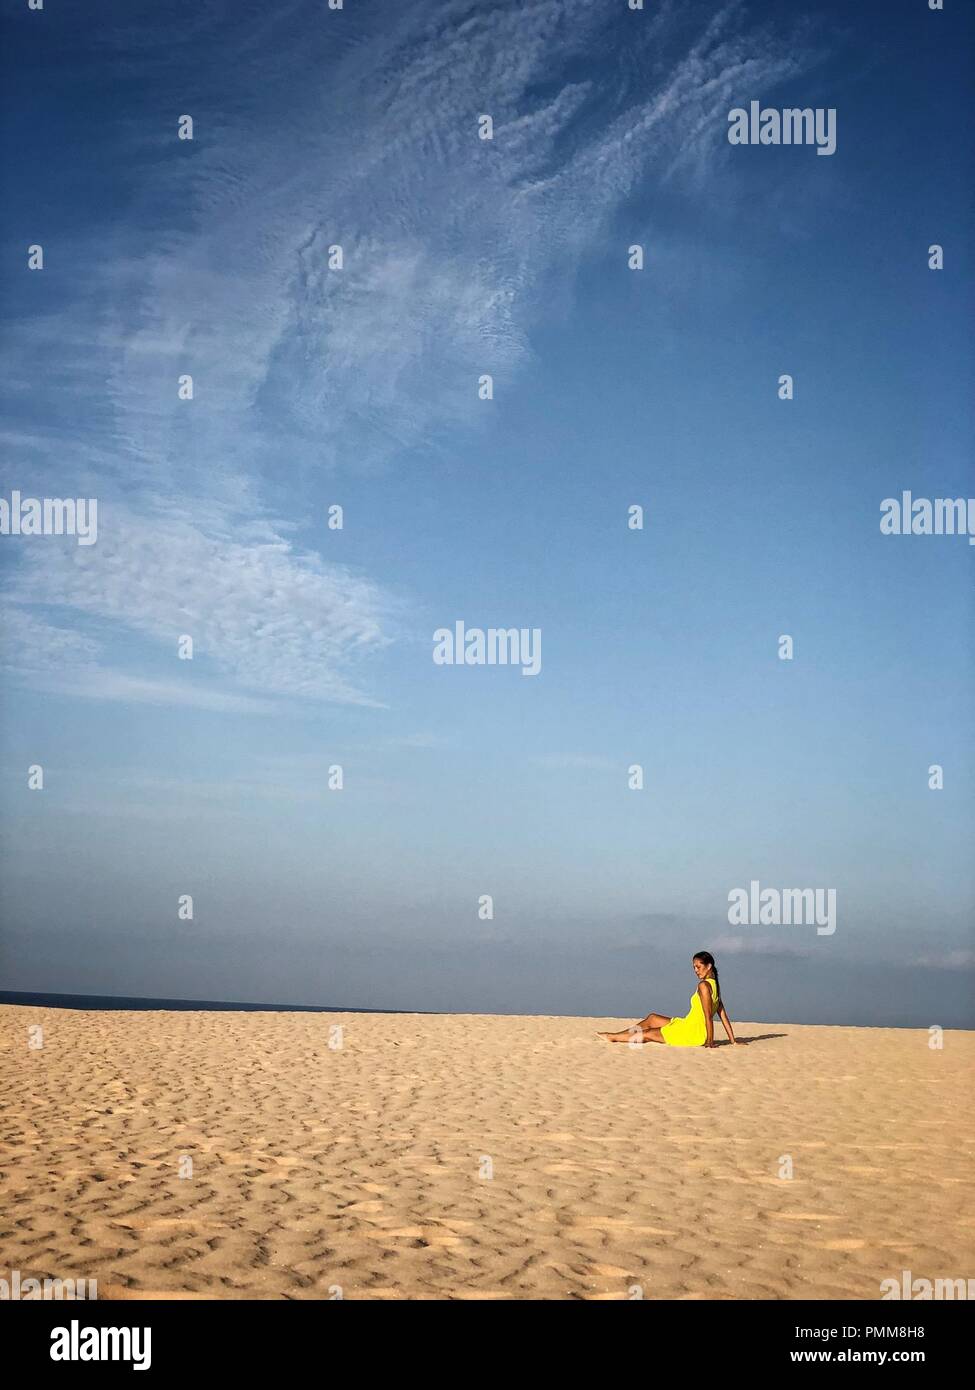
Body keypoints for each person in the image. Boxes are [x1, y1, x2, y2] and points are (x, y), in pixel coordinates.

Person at [597, 951, 740, 1047]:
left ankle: (613, 1037)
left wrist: (710, 1042)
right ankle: (617, 1035)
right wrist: (733, 1041)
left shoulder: (704, 986)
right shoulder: (715, 986)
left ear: (709, 966)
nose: (696, 970)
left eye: (698, 966)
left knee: (646, 1034)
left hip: (692, 1032)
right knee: (652, 1018)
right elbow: (723, 1016)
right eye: (694, 967)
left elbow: (709, 1017)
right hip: (686, 1024)